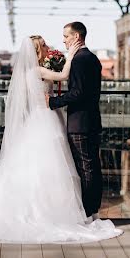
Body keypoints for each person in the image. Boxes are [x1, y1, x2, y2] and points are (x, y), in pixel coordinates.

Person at [0, 34, 121, 244]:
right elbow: (64, 76)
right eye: (44, 45)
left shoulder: (31, 71)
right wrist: (71, 54)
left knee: (39, 166)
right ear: (37, 50)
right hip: (46, 118)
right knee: (52, 166)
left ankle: (40, 212)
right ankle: (52, 214)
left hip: (40, 118)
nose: (48, 46)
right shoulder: (36, 70)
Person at [46, 22, 103, 220]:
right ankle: (93, 209)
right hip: (92, 120)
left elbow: (77, 93)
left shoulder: (79, 60)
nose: (64, 40)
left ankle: (88, 212)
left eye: (66, 36)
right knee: (93, 165)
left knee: (85, 167)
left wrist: (53, 102)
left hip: (80, 123)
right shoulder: (92, 58)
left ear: (77, 37)